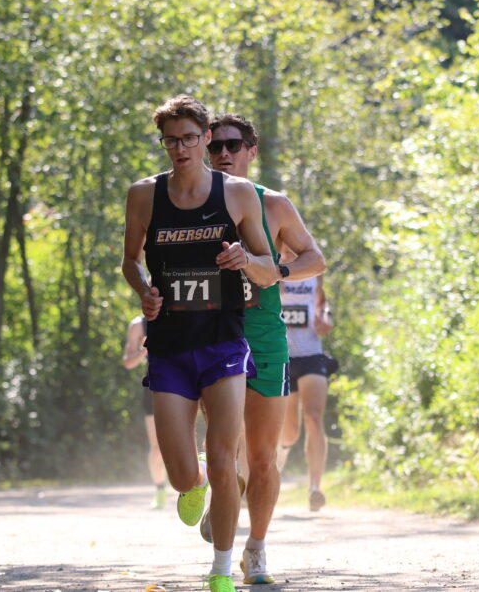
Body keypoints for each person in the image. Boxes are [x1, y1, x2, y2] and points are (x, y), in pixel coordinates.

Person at [121, 95, 278, 592]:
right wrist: (145, 292)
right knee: (182, 475)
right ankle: (196, 485)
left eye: (190, 138)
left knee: (225, 452)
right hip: (168, 346)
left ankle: (221, 569)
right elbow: (130, 261)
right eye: (172, 140)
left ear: (206, 139)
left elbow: (268, 272)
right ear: (163, 143)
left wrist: (243, 259)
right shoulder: (144, 195)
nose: (181, 147)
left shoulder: (237, 195)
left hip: (224, 343)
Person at [206, 113, 325, 585]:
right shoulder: (188, 203)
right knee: (219, 450)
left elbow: (315, 259)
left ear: (251, 151)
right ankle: (216, 490)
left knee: (261, 457)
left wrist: (276, 272)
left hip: (264, 337)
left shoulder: (273, 204)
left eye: (233, 145)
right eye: (215, 147)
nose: (224, 154)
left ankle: (255, 548)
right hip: (208, 336)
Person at [277, 264, 336, 512]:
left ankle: (315, 487)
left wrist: (325, 317)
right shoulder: (271, 261)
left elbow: (322, 303)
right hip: (284, 354)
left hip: (312, 352)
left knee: (313, 416)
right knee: (290, 432)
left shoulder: (314, 266)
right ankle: (278, 460)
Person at [122, 314, 168, 508]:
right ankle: (160, 490)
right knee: (157, 448)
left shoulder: (182, 314)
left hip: (183, 382)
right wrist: (144, 350)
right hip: (153, 386)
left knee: (186, 440)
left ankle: (192, 486)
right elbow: (127, 362)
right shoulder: (138, 326)